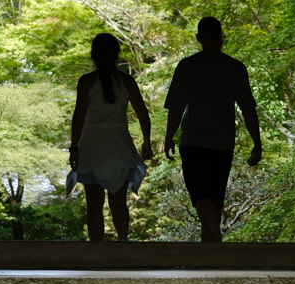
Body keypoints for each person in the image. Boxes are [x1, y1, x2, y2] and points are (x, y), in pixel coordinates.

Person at [164, 16, 262, 242]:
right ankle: (208, 253)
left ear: (198, 38)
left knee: (201, 196)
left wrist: (169, 137)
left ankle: (215, 248)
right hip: (223, 143)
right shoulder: (235, 67)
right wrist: (257, 143)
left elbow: (176, 108)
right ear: (221, 37)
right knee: (214, 199)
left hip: (193, 141)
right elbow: (248, 109)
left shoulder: (187, 66)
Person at [69, 33, 152, 241]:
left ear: (93, 55)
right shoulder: (127, 81)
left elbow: (79, 116)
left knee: (94, 206)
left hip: (91, 147)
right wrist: (147, 142)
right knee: (118, 202)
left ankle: (96, 250)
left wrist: (74, 148)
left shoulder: (86, 81)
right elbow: (143, 113)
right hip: (119, 147)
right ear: (117, 54)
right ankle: (123, 243)